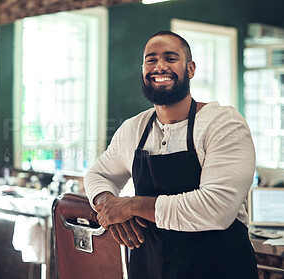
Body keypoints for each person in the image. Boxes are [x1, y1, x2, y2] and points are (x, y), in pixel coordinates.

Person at [84, 30, 259, 279]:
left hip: (218, 267)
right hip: (150, 268)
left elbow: (215, 209)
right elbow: (99, 174)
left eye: (170, 58)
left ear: (190, 69)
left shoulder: (222, 123)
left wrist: (131, 206)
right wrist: (109, 207)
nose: (160, 67)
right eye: (151, 60)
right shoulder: (134, 128)